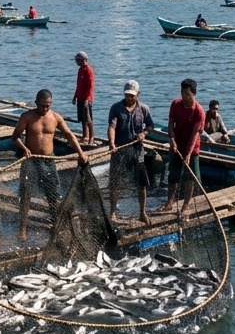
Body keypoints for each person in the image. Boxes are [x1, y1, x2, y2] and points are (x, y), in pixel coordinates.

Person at [12, 89, 88, 239]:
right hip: (30, 160)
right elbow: (15, 136)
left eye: (47, 106)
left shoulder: (55, 117)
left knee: (52, 193)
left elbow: (69, 135)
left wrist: (80, 153)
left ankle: (55, 223)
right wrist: (25, 149)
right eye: (42, 106)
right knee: (26, 194)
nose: (45, 109)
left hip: (48, 160)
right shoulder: (27, 117)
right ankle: (23, 228)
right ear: (36, 103)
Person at [107, 80, 154, 224]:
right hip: (120, 149)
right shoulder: (116, 108)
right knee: (115, 182)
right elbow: (112, 127)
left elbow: (150, 125)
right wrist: (112, 144)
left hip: (137, 150)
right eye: (127, 95)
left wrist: (144, 133)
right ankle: (113, 212)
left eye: (132, 96)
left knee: (141, 184)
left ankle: (142, 212)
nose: (129, 98)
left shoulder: (144, 109)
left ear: (138, 95)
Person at [158, 79, 207, 214]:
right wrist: (172, 140)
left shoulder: (199, 112)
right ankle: (169, 202)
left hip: (192, 148)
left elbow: (195, 135)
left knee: (190, 177)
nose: (184, 97)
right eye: (182, 93)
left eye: (187, 94)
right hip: (176, 145)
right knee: (173, 174)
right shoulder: (175, 104)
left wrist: (188, 154)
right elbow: (171, 124)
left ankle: (186, 204)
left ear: (193, 94)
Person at [72, 51, 96, 145]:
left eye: (79, 60)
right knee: (82, 119)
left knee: (88, 118)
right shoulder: (80, 70)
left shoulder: (88, 70)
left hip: (86, 99)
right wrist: (75, 97)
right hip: (80, 97)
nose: (77, 62)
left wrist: (87, 99)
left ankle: (91, 137)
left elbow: (90, 86)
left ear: (84, 60)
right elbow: (78, 86)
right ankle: (85, 136)